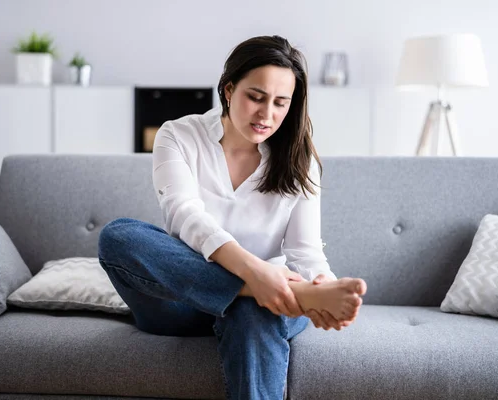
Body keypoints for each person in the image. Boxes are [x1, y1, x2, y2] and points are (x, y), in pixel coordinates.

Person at [98, 35, 367, 400]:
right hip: (184, 301)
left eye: (280, 103)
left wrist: (320, 285)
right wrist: (256, 275)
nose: (267, 114)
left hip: (271, 303)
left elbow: (305, 252)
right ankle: (263, 290)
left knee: (255, 311)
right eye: (255, 97)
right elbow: (184, 215)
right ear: (228, 89)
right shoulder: (178, 135)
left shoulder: (298, 160)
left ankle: (271, 293)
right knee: (119, 237)